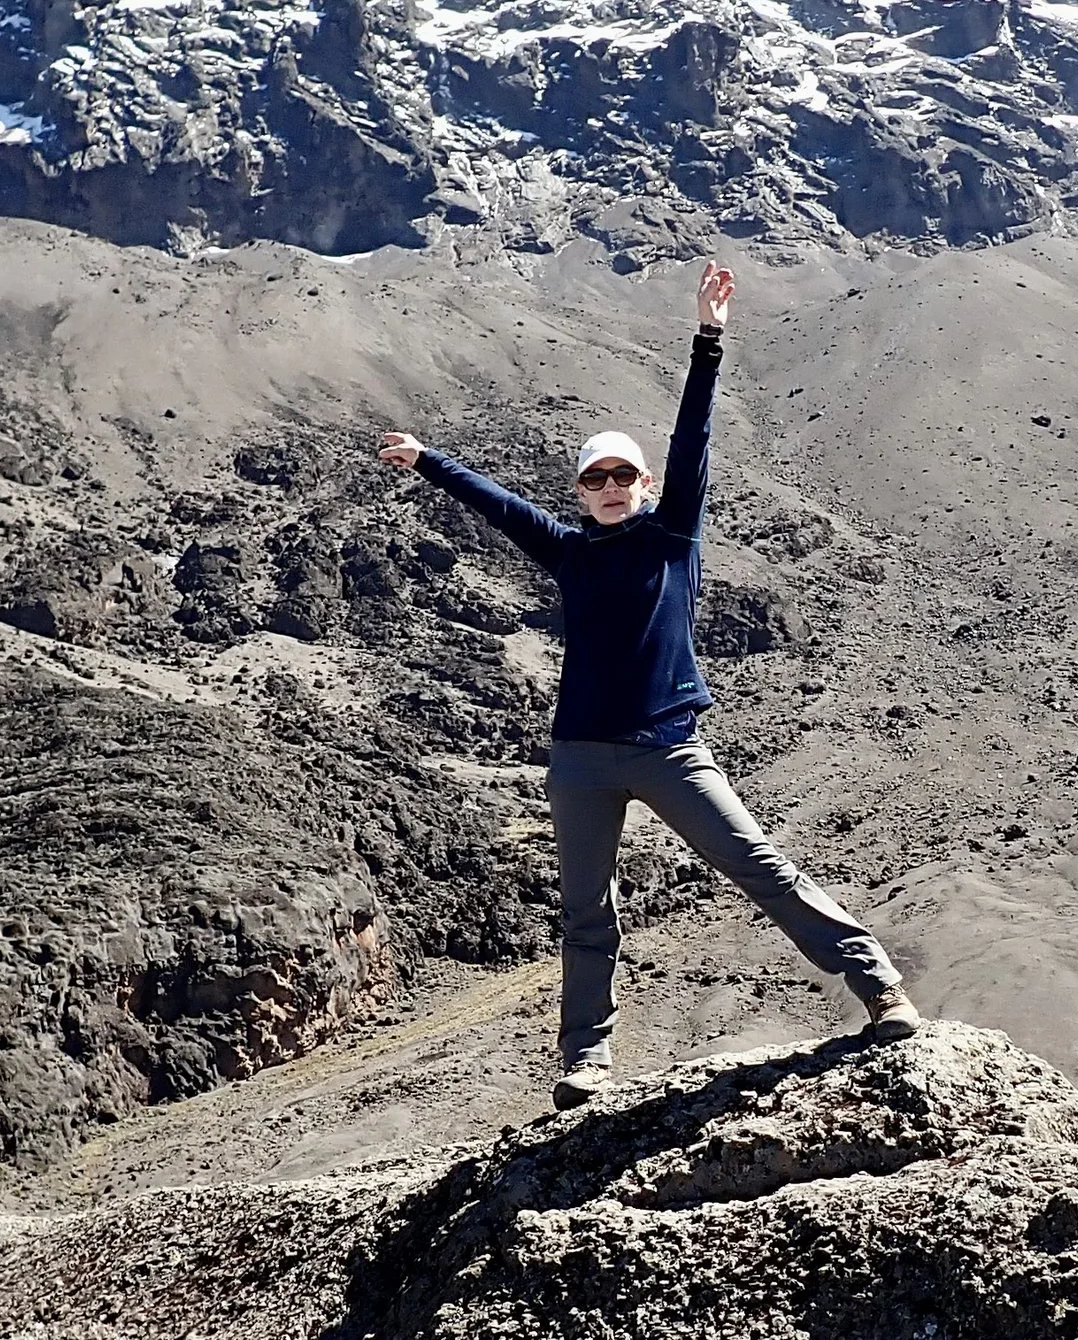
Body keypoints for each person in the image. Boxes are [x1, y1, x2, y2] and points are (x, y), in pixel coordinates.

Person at [377, 260, 918, 1111]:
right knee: (587, 915)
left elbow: (692, 439)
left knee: (759, 867)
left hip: (671, 748)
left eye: (622, 476)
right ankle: (585, 1063)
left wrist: (708, 339)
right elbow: (497, 505)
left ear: (645, 485)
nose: (609, 490)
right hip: (582, 760)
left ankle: (879, 985)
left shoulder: (673, 538)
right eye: (594, 479)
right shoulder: (568, 549)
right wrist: (428, 462)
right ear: (581, 491)